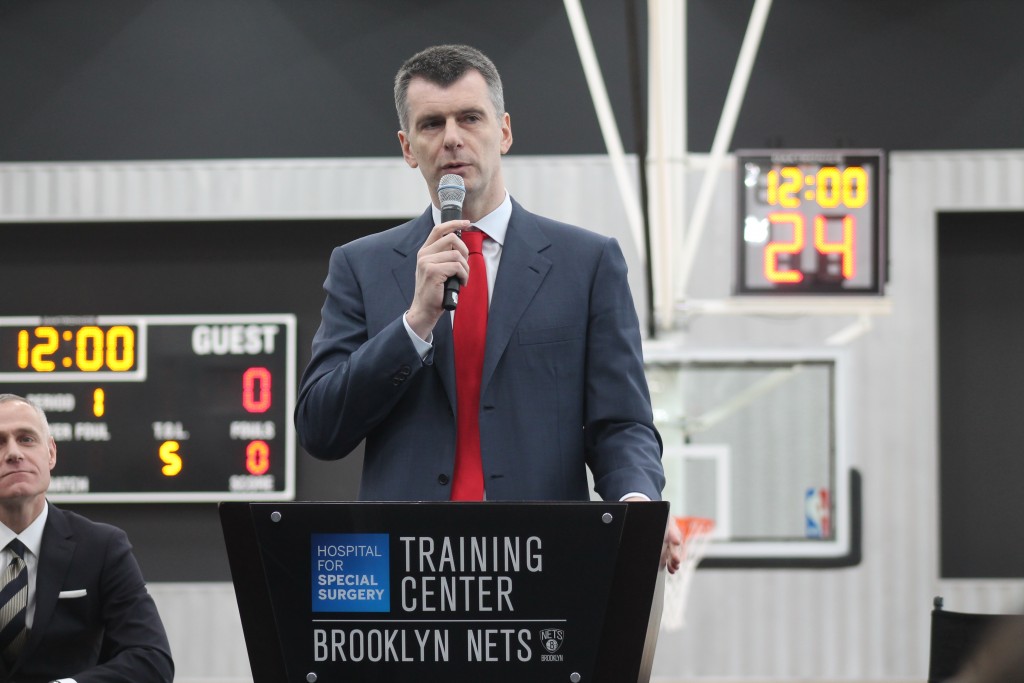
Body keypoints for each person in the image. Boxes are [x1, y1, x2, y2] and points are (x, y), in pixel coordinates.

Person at [295, 44, 682, 568]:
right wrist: (414, 324)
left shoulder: (587, 263)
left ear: (503, 132)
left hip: (542, 560)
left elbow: (622, 422)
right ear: (408, 147)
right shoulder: (361, 266)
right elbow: (320, 428)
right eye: (432, 124)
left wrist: (637, 500)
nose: (452, 138)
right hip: (404, 565)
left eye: (470, 118)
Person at [0, 394, 174, 683]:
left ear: (51, 453)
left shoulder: (102, 548)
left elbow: (151, 659)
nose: (13, 453)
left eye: (26, 439)